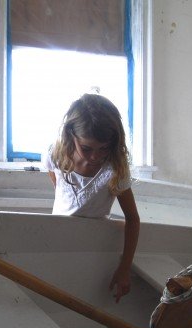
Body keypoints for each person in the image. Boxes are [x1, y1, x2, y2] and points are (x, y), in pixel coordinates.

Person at [43, 93, 140, 303]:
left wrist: (125, 268)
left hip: (92, 245)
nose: (95, 156)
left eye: (103, 149)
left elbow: (133, 218)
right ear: (71, 135)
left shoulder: (114, 170)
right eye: (86, 149)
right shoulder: (56, 156)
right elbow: (58, 185)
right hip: (57, 237)